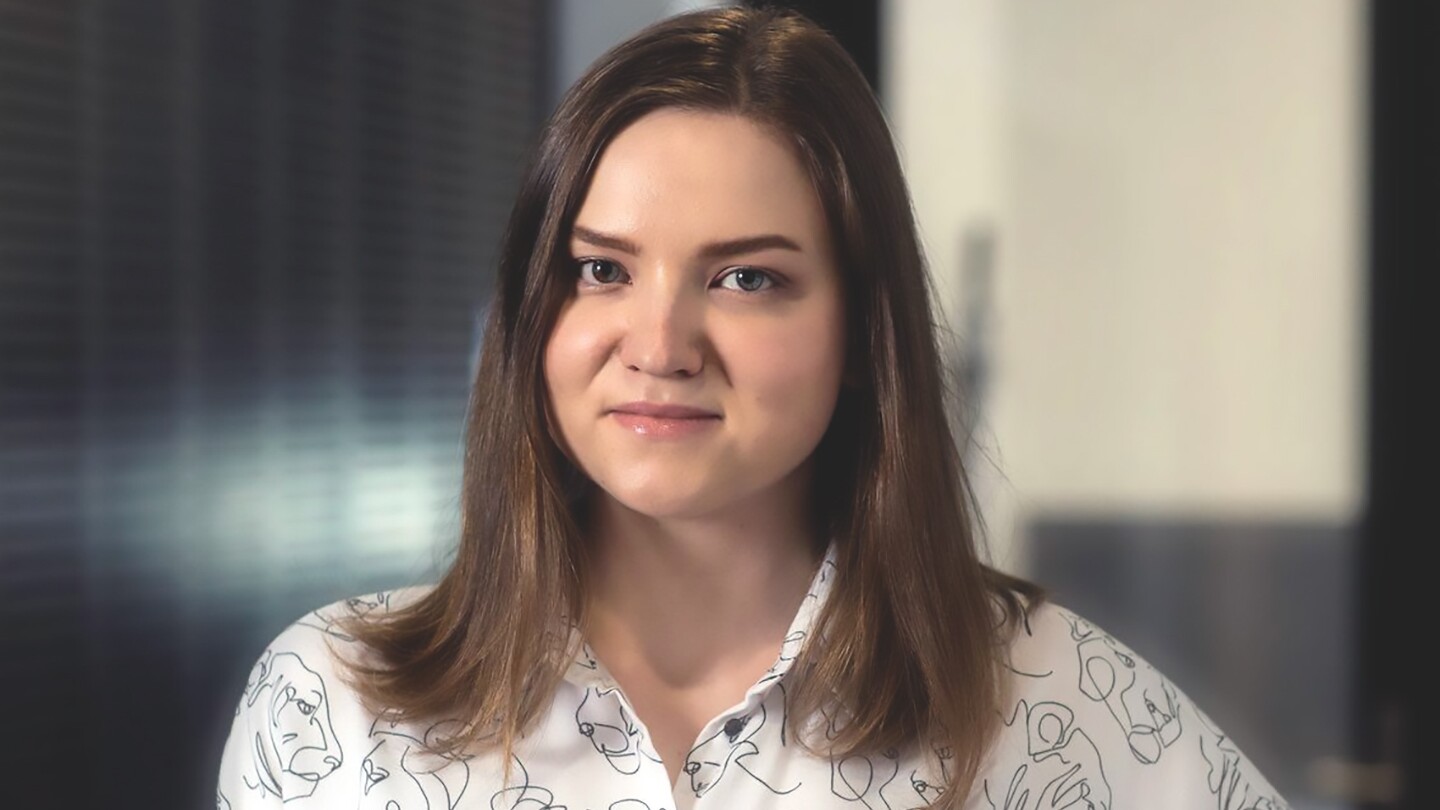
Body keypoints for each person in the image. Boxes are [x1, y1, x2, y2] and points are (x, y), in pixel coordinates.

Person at [217, 7, 1288, 809]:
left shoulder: (1046, 695)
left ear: (866, 334)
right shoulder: (339, 705)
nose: (661, 345)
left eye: (747, 279)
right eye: (600, 271)